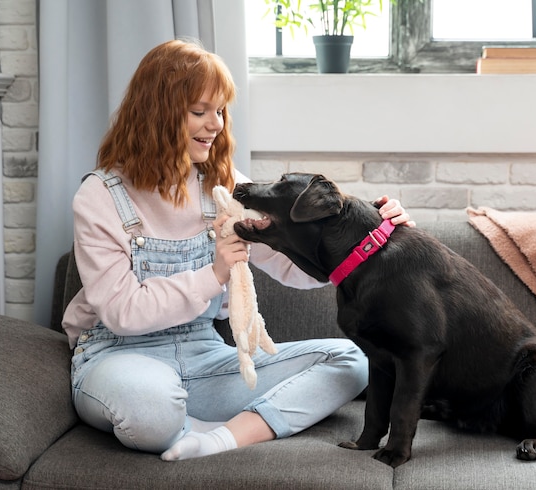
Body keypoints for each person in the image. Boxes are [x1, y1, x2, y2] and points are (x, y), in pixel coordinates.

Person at [62, 39, 414, 462]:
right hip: (117, 355)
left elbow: (302, 270)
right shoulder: (99, 196)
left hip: (202, 356)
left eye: (221, 110)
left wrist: (372, 236)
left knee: (350, 362)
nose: (216, 124)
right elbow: (121, 312)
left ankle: (220, 438)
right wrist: (213, 274)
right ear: (156, 113)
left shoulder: (223, 187)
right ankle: (185, 420)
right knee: (152, 410)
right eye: (199, 111)